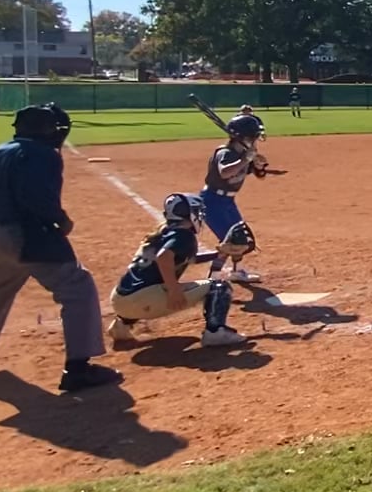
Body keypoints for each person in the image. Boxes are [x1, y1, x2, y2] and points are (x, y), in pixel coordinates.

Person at [0, 104, 120, 391]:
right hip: (24, 235)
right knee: (78, 287)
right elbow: (38, 199)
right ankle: (78, 369)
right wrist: (61, 220)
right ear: (47, 130)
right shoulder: (43, 154)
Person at [107, 193, 245, 347]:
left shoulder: (163, 232)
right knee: (219, 286)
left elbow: (183, 258)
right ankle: (215, 332)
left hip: (120, 301)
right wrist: (173, 290)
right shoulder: (184, 236)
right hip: (143, 301)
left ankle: (121, 326)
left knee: (145, 282)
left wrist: (217, 254)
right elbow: (163, 257)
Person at [200, 114, 269, 284]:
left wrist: (258, 165)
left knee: (240, 237)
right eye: (253, 137)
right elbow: (225, 172)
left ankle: (237, 272)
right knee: (230, 241)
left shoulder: (243, 154)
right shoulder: (225, 153)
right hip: (212, 201)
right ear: (244, 137)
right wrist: (246, 159)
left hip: (227, 201)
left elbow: (259, 175)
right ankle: (214, 277)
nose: (255, 140)